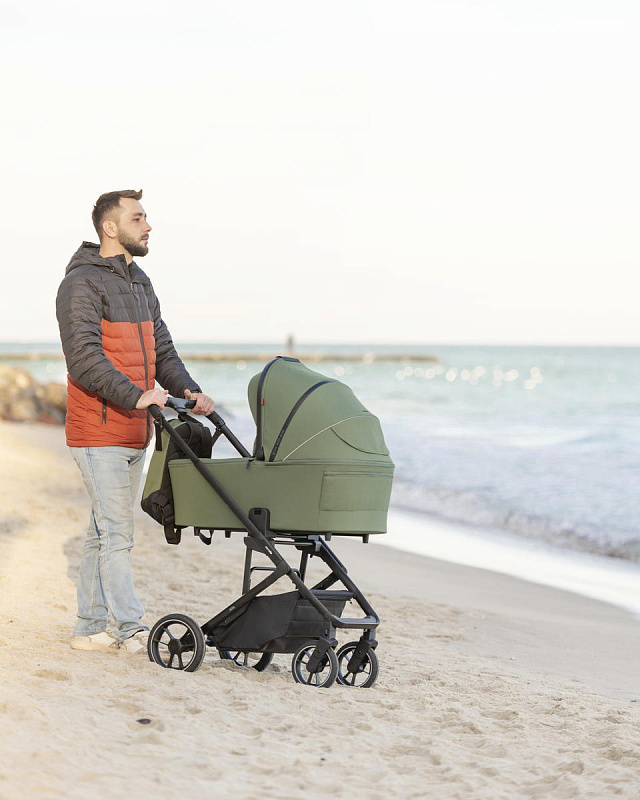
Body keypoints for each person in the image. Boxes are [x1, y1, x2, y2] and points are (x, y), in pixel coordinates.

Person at [56, 189, 214, 655]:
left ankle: (89, 627)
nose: (148, 226)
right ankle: (128, 628)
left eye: (146, 218)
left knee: (102, 532)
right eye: (138, 218)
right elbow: (84, 357)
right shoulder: (81, 284)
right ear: (110, 227)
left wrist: (188, 390)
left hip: (133, 429)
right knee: (118, 533)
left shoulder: (140, 283)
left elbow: (162, 351)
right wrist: (136, 395)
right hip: (98, 428)